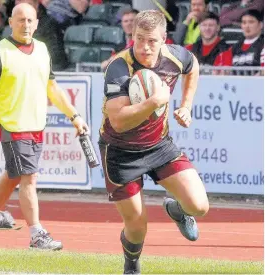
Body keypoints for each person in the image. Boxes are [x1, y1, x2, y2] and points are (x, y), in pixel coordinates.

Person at [0, 2, 89, 251]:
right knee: (28, 179)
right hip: (11, 124)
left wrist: (75, 116)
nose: (26, 25)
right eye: (20, 20)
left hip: (35, 124)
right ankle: (36, 233)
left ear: (37, 23)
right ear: (10, 23)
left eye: (30, 20)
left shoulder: (42, 50)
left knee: (13, 177)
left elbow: (52, 87)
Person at [100, 10, 209, 274]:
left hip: (159, 145)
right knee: (137, 228)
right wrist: (154, 103)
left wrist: (186, 105)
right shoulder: (119, 67)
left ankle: (177, 210)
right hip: (120, 152)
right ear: (132, 37)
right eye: (139, 39)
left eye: (151, 41)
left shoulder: (174, 56)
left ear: (164, 40)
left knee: (200, 206)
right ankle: (132, 264)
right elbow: (119, 121)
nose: (145, 47)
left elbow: (192, 65)